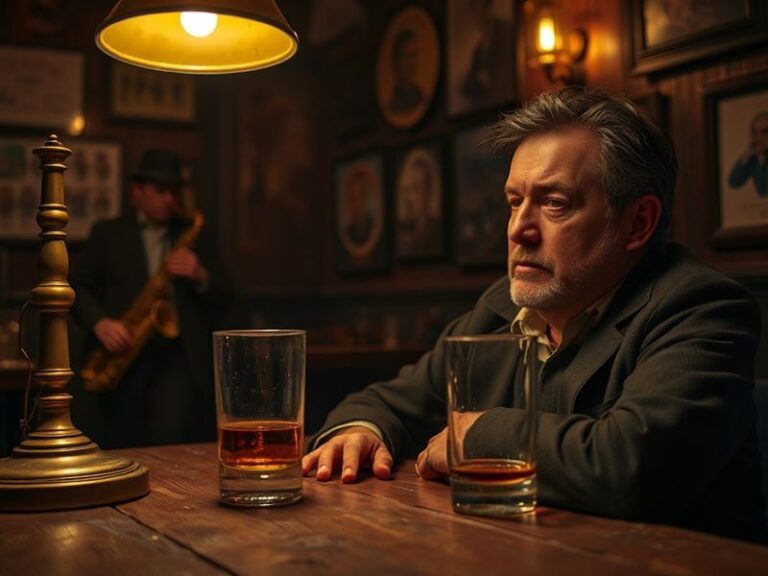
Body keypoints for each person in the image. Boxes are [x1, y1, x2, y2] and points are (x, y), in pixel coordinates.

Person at [303, 86, 765, 542]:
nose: (520, 229)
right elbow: (391, 401)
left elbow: (634, 466)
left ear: (637, 223)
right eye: (514, 201)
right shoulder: (502, 305)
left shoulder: (701, 306)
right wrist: (361, 431)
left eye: (554, 203)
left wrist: (476, 432)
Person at [71, 148, 228, 449]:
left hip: (176, 356)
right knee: (123, 437)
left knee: (170, 436)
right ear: (137, 191)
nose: (169, 199)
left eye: (174, 192)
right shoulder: (107, 234)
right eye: (160, 191)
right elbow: (78, 288)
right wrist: (100, 323)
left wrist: (200, 275)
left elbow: (228, 293)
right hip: (123, 352)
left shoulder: (197, 235)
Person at [396, 152, 442, 259]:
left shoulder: (436, 230)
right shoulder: (402, 233)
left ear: (428, 191)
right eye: (406, 191)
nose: (408, 199)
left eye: (414, 189)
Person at [728, 110, 768, 197]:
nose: (758, 137)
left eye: (765, 132)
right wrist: (746, 156)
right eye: (754, 132)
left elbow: (764, 189)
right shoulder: (753, 159)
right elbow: (734, 183)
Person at [388, 29, 424, 115]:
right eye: (405, 56)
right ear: (396, 61)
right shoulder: (393, 105)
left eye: (413, 55)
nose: (410, 63)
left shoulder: (421, 98)